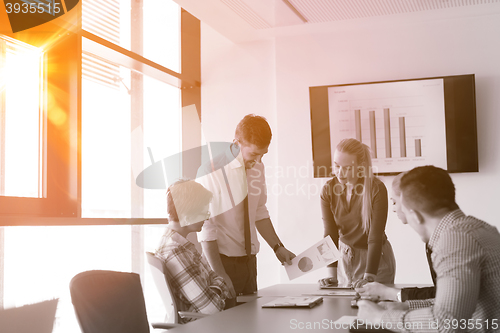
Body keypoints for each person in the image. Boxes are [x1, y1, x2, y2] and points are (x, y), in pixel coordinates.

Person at [357, 166, 500, 332]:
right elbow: (452, 302)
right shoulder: (479, 228)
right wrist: (406, 307)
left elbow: (446, 324)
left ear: (416, 216)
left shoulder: (454, 241)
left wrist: (380, 317)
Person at [196, 114, 295, 299]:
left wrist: (277, 246)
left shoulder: (258, 168)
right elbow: (206, 229)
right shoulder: (210, 171)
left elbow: (259, 211)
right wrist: (220, 274)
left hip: (249, 262)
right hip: (221, 263)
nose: (259, 161)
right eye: (254, 154)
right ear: (236, 143)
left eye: (263, 154)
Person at [318, 138, 395, 288]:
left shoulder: (376, 189)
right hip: (345, 259)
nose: (340, 173)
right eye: (336, 166)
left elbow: (375, 237)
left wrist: (369, 276)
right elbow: (330, 234)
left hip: (375, 261)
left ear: (361, 167)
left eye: (347, 168)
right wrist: (331, 275)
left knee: (374, 309)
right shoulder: (328, 189)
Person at [155, 179, 232, 323]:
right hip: (200, 326)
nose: (207, 216)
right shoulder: (176, 252)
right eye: (204, 212)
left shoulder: (179, 244)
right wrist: (218, 288)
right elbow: (212, 309)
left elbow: (215, 278)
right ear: (187, 215)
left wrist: (214, 288)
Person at [356, 172, 436, 303]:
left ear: (409, 206)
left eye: (394, 202)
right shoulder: (435, 239)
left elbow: (448, 304)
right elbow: (442, 293)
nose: (393, 209)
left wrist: (388, 295)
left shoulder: (447, 242)